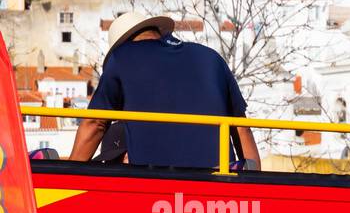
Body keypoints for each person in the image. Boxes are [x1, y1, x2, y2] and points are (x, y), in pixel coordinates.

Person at [71, 11, 260, 170]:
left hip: (157, 189)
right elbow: (242, 129)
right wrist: (255, 183)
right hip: (218, 191)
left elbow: (95, 123)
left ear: (123, 45)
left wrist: (66, 176)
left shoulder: (122, 57)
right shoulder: (212, 58)